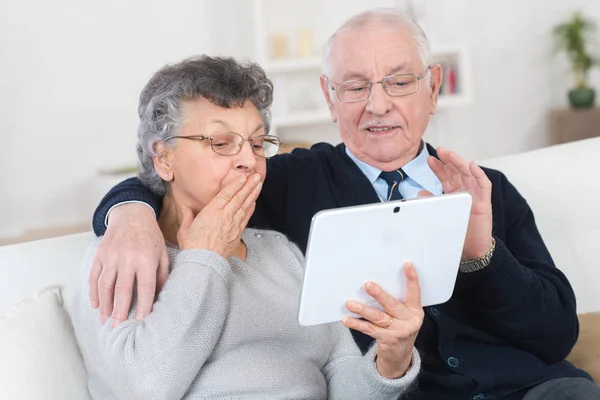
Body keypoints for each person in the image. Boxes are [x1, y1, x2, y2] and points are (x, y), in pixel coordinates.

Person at [88, 8, 600, 400]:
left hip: (532, 388)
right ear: (329, 98)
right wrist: (128, 213)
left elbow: (555, 337)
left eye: (399, 82)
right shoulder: (280, 180)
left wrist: (483, 257)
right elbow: (184, 177)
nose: (378, 105)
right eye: (354, 87)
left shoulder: (485, 188)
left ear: (433, 87)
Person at [71, 55, 423, 400]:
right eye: (221, 143)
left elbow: (341, 382)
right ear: (163, 158)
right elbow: (143, 388)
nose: (247, 160)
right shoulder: (122, 258)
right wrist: (205, 255)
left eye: (257, 144)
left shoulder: (281, 252)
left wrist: (390, 361)